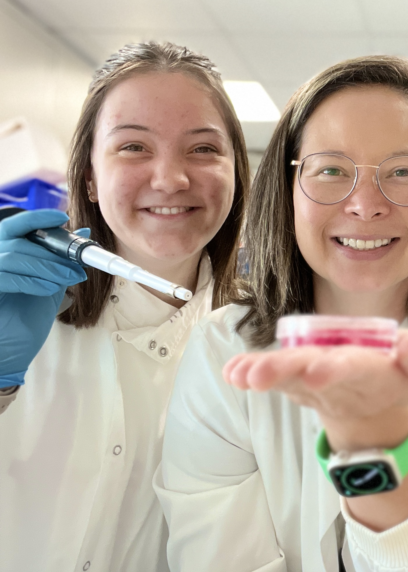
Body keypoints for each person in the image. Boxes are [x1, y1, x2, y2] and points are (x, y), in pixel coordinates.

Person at [153, 55, 408, 572]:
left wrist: (379, 449)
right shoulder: (223, 346)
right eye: (331, 170)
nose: (364, 204)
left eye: (402, 172)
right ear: (289, 192)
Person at [0, 41, 248, 572]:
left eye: (202, 149)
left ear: (236, 173)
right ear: (88, 174)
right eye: (134, 147)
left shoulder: (257, 349)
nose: (170, 179)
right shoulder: (15, 306)